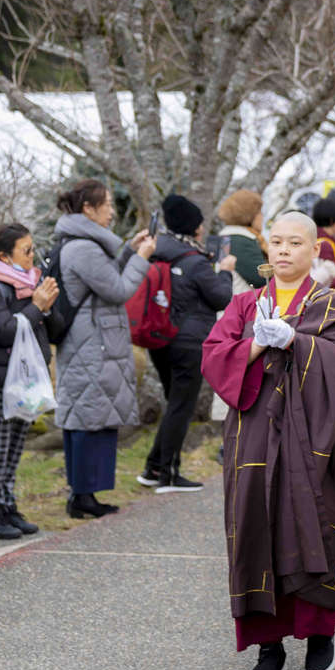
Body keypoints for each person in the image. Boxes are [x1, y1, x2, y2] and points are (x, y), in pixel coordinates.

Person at [201, 212, 335, 670]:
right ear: (267, 249)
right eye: (276, 242)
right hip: (254, 433)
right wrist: (255, 344)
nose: (284, 251)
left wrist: (297, 341)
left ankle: (320, 634)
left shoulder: (332, 303)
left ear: (315, 250)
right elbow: (214, 355)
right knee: (256, 522)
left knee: (315, 518)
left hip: (314, 436)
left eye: (295, 243)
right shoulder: (245, 304)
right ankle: (268, 646)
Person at [53, 179, 154, 519]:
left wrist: (129, 251)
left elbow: (104, 277)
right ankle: (82, 496)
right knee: (90, 417)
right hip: (91, 343)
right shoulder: (84, 248)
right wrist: (142, 258)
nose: (112, 211)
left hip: (90, 340)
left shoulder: (82, 243)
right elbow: (118, 289)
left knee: (90, 415)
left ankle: (85, 494)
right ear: (88, 208)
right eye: (107, 204)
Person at [0, 225, 62, 539]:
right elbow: (3, 331)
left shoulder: (30, 282)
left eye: (33, 248)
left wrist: (46, 306)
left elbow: (55, 329)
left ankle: (7, 506)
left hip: (24, 381)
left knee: (14, 449)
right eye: (26, 250)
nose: (33, 256)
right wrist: (36, 307)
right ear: (5, 256)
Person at [136, 195, 236, 494]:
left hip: (159, 338)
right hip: (189, 342)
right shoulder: (195, 261)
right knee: (181, 407)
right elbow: (221, 297)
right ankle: (168, 474)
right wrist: (226, 271)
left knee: (175, 405)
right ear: (194, 227)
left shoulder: (156, 252)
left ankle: (154, 468)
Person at [216, 189, 268, 291]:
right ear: (250, 216)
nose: (262, 216)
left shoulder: (226, 236)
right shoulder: (240, 240)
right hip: (242, 298)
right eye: (259, 212)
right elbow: (260, 278)